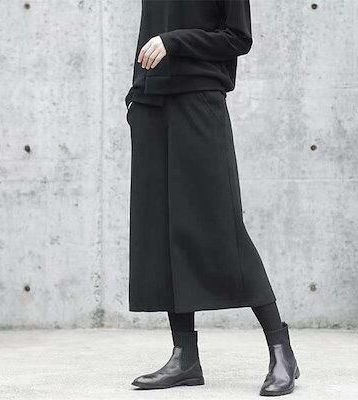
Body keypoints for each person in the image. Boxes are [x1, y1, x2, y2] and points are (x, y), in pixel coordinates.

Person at [124, 0, 300, 396]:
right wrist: (136, 94)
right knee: (163, 229)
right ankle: (184, 356)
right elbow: (149, 33)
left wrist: (174, 42)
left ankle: (280, 350)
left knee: (222, 228)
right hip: (151, 103)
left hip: (199, 99)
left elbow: (238, 38)